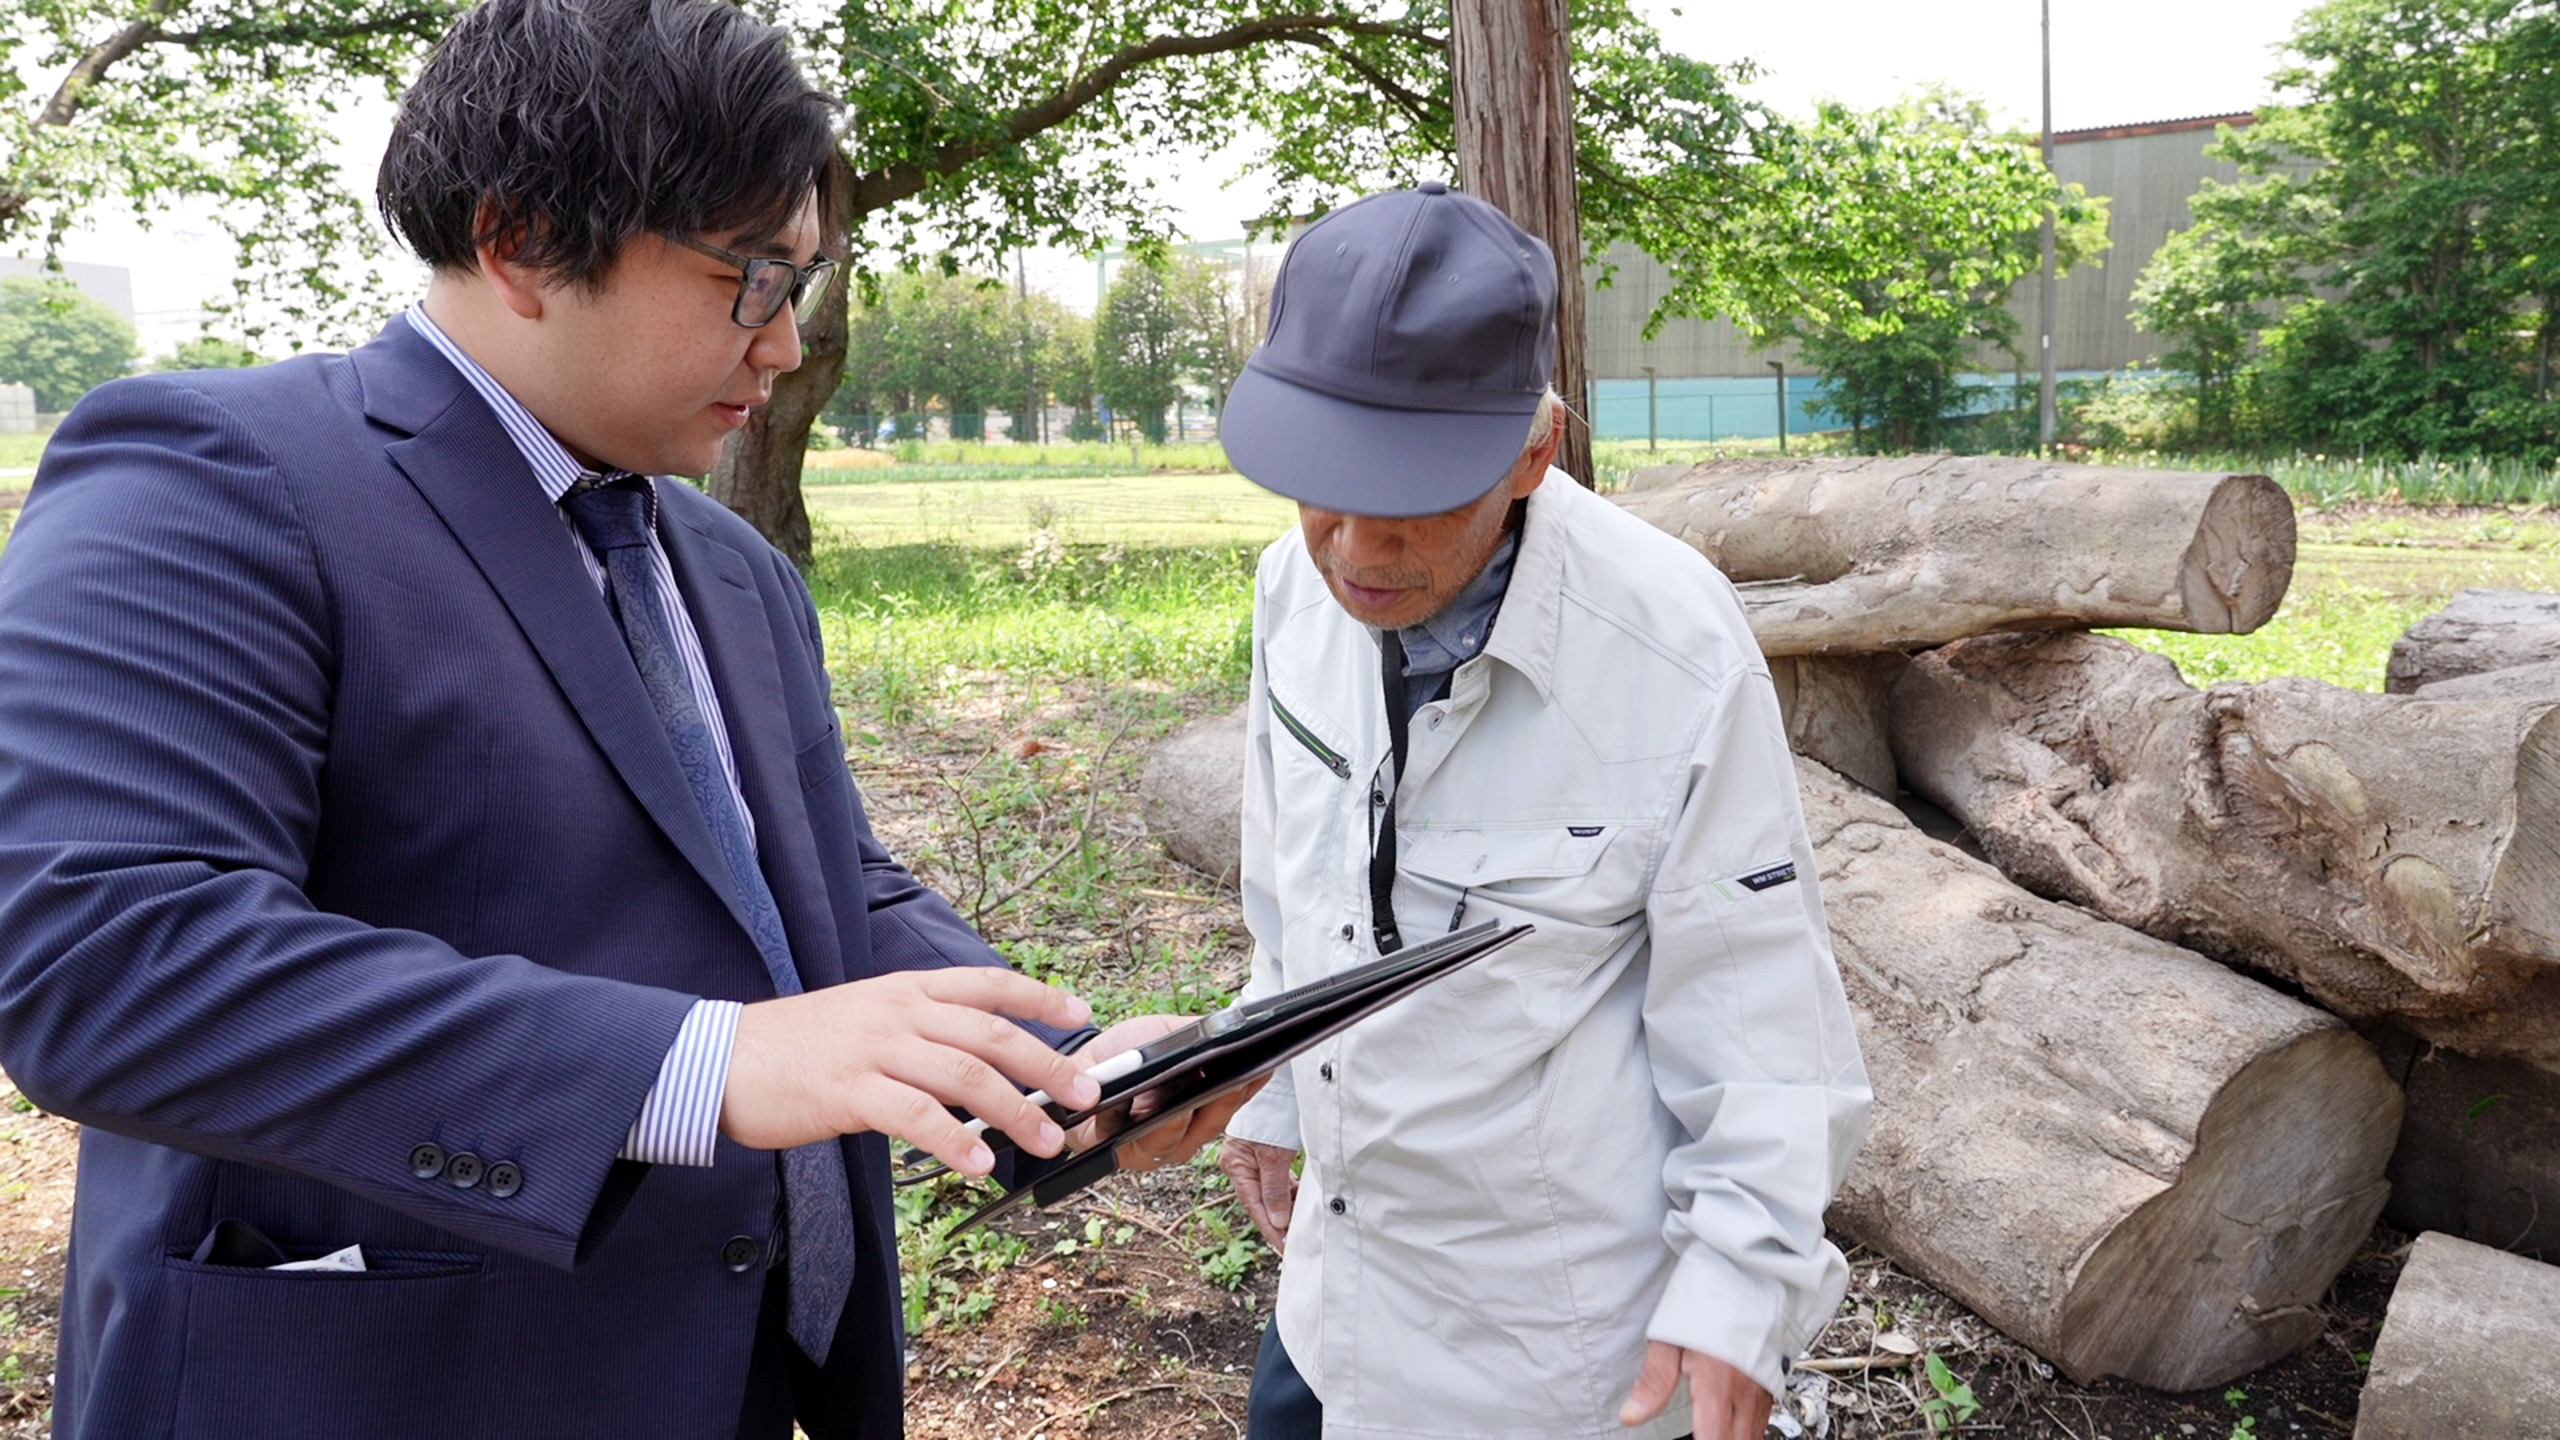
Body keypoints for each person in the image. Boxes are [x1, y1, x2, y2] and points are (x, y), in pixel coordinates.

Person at [0, 2, 1238, 1435]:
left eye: (803, 284)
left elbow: (823, 890)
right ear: (523, 239)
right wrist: (701, 1064)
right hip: (387, 1383)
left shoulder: (727, 565)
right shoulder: (218, 477)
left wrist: (1055, 1063)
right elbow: (102, 954)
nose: (785, 345)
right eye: (752, 279)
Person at [1211, 183, 1874, 1440]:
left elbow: (1761, 1012)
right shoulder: (1291, 590)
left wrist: (1742, 1283)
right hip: (1333, 1301)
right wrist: (1273, 1090)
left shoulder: (1671, 646)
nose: (1353, 548)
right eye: (1320, 488)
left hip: (1552, 1356)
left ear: (1532, 451)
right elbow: (1291, 877)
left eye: (1409, 497)